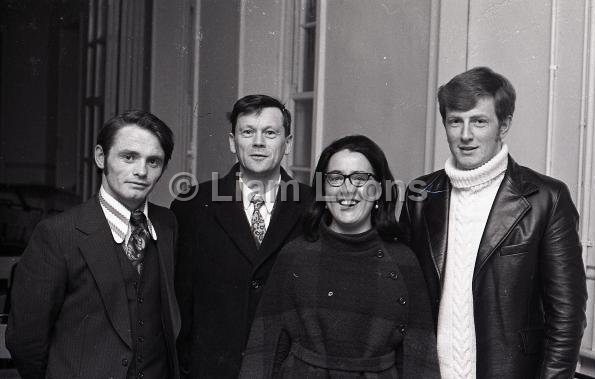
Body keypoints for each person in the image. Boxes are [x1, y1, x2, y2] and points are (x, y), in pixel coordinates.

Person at [401, 66, 587, 378]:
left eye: (479, 121)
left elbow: (567, 316)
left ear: (504, 124)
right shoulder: (420, 196)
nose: (465, 135)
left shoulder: (546, 198)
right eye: (455, 121)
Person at [239, 135, 439, 378]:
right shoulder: (295, 255)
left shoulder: (402, 260)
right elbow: (264, 349)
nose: (347, 189)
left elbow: (420, 359)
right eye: (335, 178)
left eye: (360, 178)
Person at [6, 110, 181, 378]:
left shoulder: (168, 225)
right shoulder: (57, 234)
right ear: (101, 157)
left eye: (154, 161)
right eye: (129, 157)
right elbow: (26, 341)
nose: (141, 171)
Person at [171, 94, 312, 378]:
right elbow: (181, 300)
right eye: (248, 132)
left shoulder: (313, 207)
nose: (258, 142)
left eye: (270, 133)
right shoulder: (193, 205)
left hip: (287, 369)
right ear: (232, 142)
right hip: (213, 369)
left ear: (288, 142)